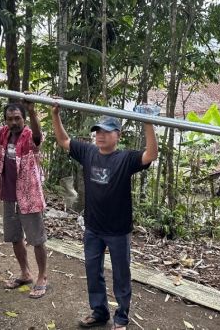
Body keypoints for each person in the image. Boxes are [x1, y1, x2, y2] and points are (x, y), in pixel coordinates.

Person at [51, 106, 158, 330]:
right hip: (93, 228)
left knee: (121, 274)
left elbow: (151, 154)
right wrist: (55, 114)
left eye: (106, 131)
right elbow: (64, 141)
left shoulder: (125, 158)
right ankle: (99, 311)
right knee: (93, 270)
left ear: (118, 135)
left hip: (118, 230)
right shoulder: (88, 152)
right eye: (97, 131)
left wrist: (148, 123)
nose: (100, 135)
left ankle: (121, 317)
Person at [0, 92, 48, 298]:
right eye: (10, 119)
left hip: (29, 196)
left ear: (23, 119)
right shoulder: (3, 134)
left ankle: (42, 276)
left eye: (18, 118)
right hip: (9, 195)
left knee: (37, 239)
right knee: (15, 237)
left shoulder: (28, 136)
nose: (14, 122)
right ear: (5, 120)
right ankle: (25, 273)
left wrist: (32, 110)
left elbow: (38, 137)